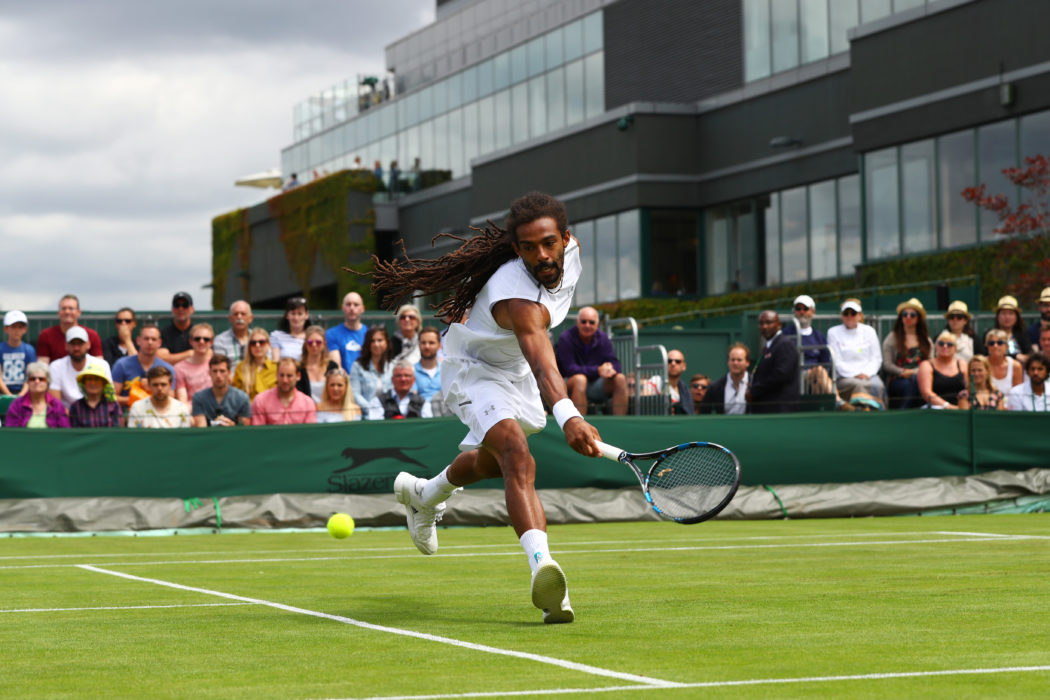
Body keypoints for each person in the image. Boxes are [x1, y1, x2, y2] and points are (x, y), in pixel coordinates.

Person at [369, 191, 602, 624]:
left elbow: (532, 362)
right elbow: (542, 360)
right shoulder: (515, 295)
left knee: (494, 464)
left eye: (550, 243)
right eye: (529, 248)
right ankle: (547, 576)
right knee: (516, 454)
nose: (542, 255)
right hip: (473, 370)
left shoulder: (571, 254)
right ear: (516, 250)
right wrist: (569, 415)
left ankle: (425, 494)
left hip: (514, 372)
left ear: (565, 238)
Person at [555, 306, 628, 416]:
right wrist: (598, 370)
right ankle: (579, 427)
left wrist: (610, 369)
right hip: (568, 384)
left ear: (597, 324)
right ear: (577, 322)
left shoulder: (603, 338)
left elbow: (615, 363)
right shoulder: (566, 338)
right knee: (580, 379)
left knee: (620, 378)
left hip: (595, 385)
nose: (587, 325)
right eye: (583, 322)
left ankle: (622, 424)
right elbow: (569, 369)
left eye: (591, 322)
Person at [826, 298, 884, 402]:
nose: (849, 316)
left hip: (869, 375)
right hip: (844, 378)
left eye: (853, 313)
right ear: (842, 315)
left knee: (878, 385)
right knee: (859, 385)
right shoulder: (833, 332)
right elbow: (837, 361)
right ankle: (863, 411)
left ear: (859, 315)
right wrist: (854, 374)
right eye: (846, 313)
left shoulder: (870, 331)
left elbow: (876, 358)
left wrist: (867, 373)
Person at [882, 298, 933, 410]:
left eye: (912, 315)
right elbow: (887, 364)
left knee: (916, 380)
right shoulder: (892, 338)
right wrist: (902, 372)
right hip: (897, 379)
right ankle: (905, 412)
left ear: (919, 318)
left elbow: (931, 362)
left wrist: (914, 372)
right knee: (909, 384)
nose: (908, 317)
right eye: (905, 314)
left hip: (920, 377)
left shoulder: (926, 340)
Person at [112, 323, 176, 409]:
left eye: (153, 339)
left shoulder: (167, 369)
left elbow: (170, 398)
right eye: (146, 339)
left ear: (159, 342)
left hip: (158, 414)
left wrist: (150, 390)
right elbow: (112, 397)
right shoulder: (122, 365)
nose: (150, 342)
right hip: (127, 414)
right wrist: (137, 399)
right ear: (138, 341)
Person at [781, 294, 834, 398]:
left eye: (805, 309)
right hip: (794, 375)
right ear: (794, 311)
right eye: (798, 308)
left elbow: (826, 360)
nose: (802, 312)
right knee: (819, 372)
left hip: (817, 377)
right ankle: (837, 402)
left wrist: (820, 373)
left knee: (817, 385)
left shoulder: (818, 336)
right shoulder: (786, 334)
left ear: (812, 312)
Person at [48, 326, 113, 409]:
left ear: (88, 344)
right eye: (72, 344)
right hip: (66, 417)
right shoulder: (55, 366)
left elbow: (109, 396)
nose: (76, 348)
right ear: (66, 346)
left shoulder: (102, 365)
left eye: (80, 343)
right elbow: (56, 403)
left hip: (98, 416)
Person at [748, 310, 800, 413]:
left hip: (779, 409)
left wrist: (754, 391)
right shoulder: (769, 346)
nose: (764, 326)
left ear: (779, 324)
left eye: (768, 322)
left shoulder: (784, 344)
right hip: (767, 408)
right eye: (761, 323)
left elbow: (780, 375)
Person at [36, 294, 103, 363]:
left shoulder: (92, 335)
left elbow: (99, 364)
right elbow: (42, 366)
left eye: (71, 308)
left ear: (78, 312)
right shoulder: (46, 335)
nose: (67, 312)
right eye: (63, 308)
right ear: (58, 312)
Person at [251, 358, 317, 425]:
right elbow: (258, 433)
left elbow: (309, 433)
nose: (285, 380)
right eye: (281, 375)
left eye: (289, 376)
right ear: (276, 375)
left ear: (298, 376)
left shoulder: (308, 403)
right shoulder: (261, 400)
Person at [190, 354, 251, 427]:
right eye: (215, 371)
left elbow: (244, 429)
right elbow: (200, 427)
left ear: (229, 372)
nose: (218, 375)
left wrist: (232, 426)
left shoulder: (242, 398)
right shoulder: (199, 398)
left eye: (222, 371)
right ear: (209, 373)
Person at [3, 363, 69, 428]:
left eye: (41, 379)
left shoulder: (56, 405)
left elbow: (65, 432)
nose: (37, 381)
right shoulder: (16, 405)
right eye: (32, 379)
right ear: (27, 382)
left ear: (48, 382)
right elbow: (11, 433)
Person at [127, 366, 191, 428]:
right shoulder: (137, 407)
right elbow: (134, 437)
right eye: (155, 385)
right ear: (149, 386)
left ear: (170, 385)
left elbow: (184, 438)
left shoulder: (182, 409)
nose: (159, 388)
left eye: (163, 384)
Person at [917, 331, 967, 409]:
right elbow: (926, 393)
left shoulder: (962, 364)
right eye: (941, 343)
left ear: (955, 348)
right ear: (936, 346)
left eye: (950, 344)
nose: (945, 346)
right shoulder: (926, 365)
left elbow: (969, 389)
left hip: (960, 409)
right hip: (934, 408)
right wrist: (948, 406)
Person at [367, 361, 433, 420]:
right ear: (392, 379)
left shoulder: (423, 403)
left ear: (413, 380)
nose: (403, 379)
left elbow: (428, 427)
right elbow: (376, 427)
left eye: (407, 375)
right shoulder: (378, 401)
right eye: (398, 376)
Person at [698, 343, 750, 415]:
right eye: (732, 360)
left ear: (747, 363)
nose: (735, 363)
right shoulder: (715, 387)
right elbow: (703, 413)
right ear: (728, 362)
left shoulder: (755, 383)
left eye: (739, 360)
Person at [350, 326, 394, 406]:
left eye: (380, 340)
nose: (376, 344)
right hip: (367, 414)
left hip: (390, 414)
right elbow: (355, 394)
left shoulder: (393, 366)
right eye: (372, 341)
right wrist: (372, 410)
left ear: (386, 342)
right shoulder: (357, 366)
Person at [326, 292, 368, 370]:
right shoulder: (331, 334)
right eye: (348, 304)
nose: (352, 308)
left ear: (362, 309)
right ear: (343, 308)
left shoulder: (370, 334)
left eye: (356, 305)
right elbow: (336, 367)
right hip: (343, 380)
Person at [232, 328, 277, 400]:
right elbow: (236, 396)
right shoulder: (241, 368)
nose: (257, 345)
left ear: (268, 345)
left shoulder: (276, 368)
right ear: (249, 347)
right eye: (253, 343)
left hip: (271, 409)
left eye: (261, 342)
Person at [296, 325, 338, 403]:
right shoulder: (299, 368)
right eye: (310, 342)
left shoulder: (332, 366)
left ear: (324, 343)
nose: (314, 345)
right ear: (305, 344)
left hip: (328, 411)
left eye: (318, 342)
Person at [174, 323, 214, 403]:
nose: (201, 342)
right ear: (191, 341)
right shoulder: (179, 368)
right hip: (192, 411)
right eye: (197, 339)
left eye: (206, 339)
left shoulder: (218, 365)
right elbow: (182, 400)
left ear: (211, 342)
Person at [1, 310, 36, 396]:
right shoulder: (0, 349)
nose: (17, 330)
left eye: (20, 327)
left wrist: (21, 395)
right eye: (13, 327)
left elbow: (31, 375)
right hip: (2, 393)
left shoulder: (29, 350)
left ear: (25, 329)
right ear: (6, 329)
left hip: (24, 393)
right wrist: (9, 395)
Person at [157, 292, 195, 364]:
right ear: (172, 309)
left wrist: (172, 358)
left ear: (192, 309)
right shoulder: (164, 332)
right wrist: (189, 354)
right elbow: (161, 358)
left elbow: (208, 354)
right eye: (177, 305)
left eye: (185, 305)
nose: (180, 308)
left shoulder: (198, 332)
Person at [984, 328, 1024, 397]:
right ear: (987, 346)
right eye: (991, 343)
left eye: (1000, 343)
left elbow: (1018, 394)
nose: (995, 346)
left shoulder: (1016, 366)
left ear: (1006, 346)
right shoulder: (982, 364)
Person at [213, 300, 254, 365]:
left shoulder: (259, 339)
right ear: (230, 318)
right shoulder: (220, 340)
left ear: (250, 318)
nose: (239, 317)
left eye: (243, 314)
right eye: (236, 314)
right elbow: (220, 368)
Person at [270, 296, 310, 362]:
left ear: (306, 315)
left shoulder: (312, 338)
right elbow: (276, 362)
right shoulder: (276, 336)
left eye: (300, 314)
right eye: (293, 313)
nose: (296, 318)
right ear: (287, 315)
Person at [994, 295, 1031, 362]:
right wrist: (1016, 356)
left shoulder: (1023, 335)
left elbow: (1030, 354)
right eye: (1003, 313)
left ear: (1017, 317)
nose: (1007, 317)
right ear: (998, 316)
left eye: (1011, 313)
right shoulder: (991, 335)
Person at [412, 326, 443, 400]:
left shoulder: (446, 370)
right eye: (423, 343)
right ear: (419, 344)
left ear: (439, 346)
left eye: (431, 343)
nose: (427, 346)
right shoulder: (411, 371)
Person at [665, 349, 693, 415]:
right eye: (669, 361)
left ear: (684, 366)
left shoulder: (685, 390)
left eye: (678, 361)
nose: (673, 364)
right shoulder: (655, 382)